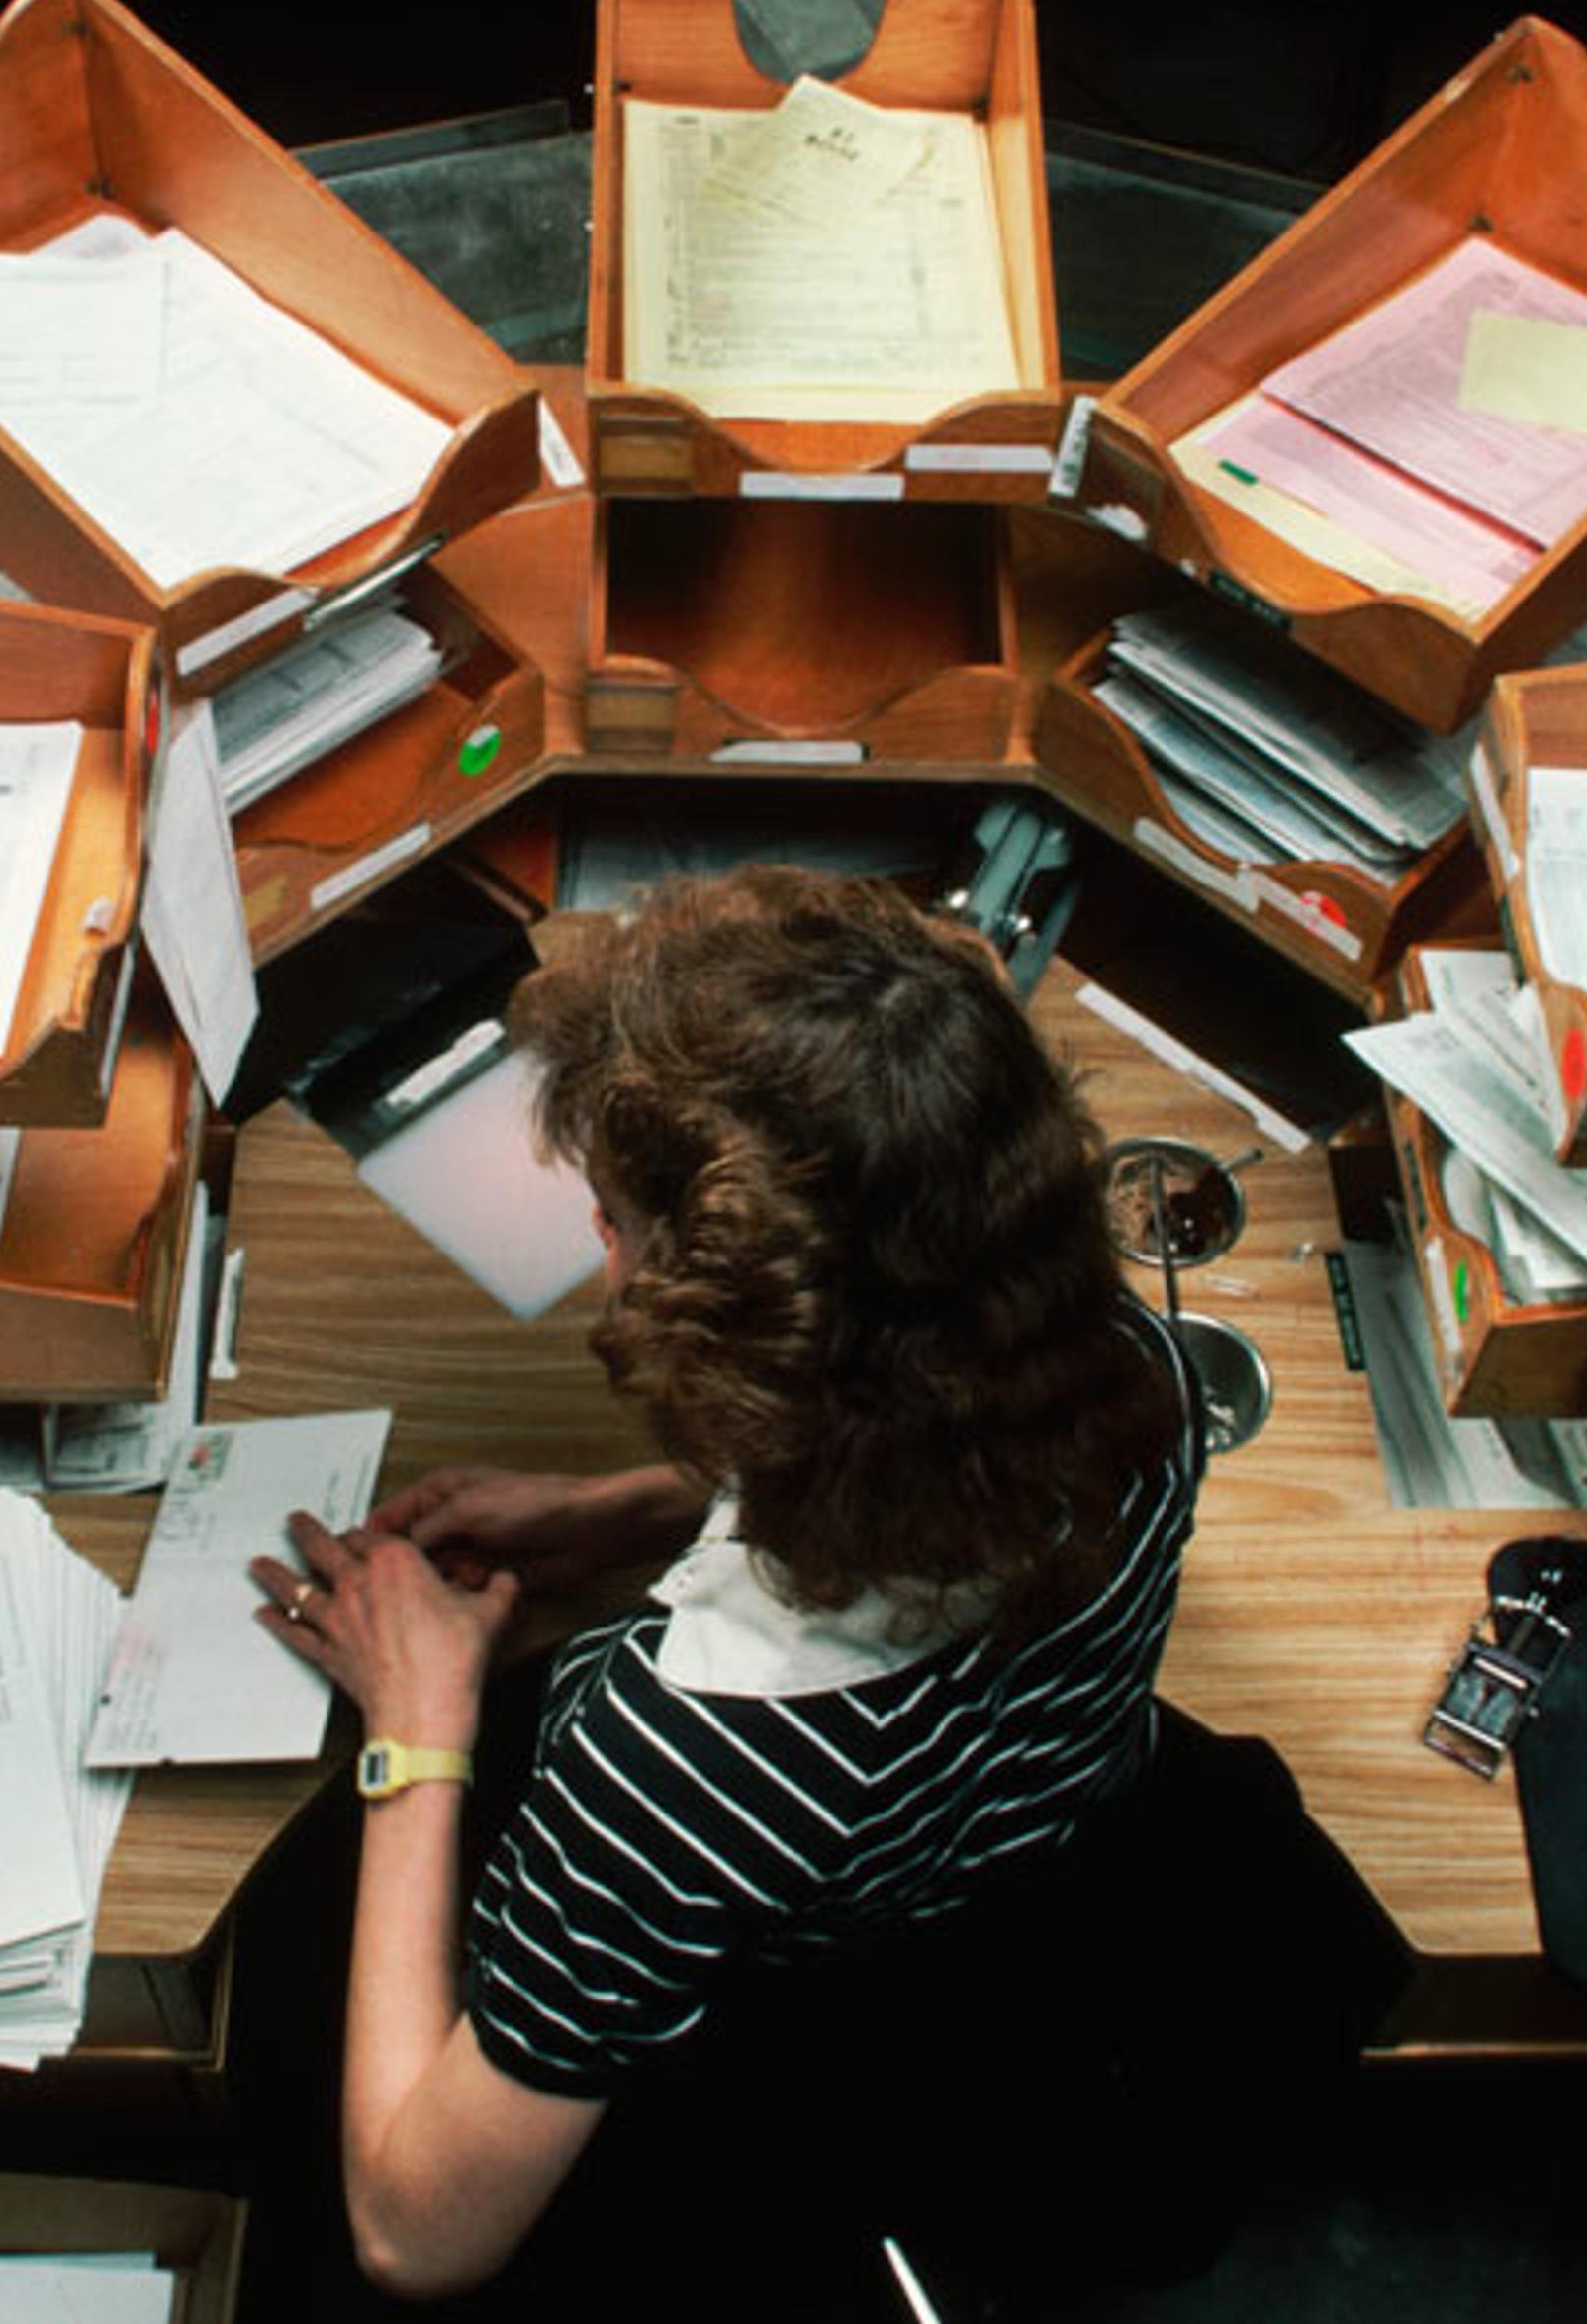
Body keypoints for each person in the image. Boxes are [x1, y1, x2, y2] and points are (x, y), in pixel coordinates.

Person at [245, 865, 1205, 2303]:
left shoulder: (678, 1764)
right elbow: (920, 1425)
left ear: (730, 1330)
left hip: (808, 1998)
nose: (602, 1247)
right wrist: (639, 1511)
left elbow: (413, 2231)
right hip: (1014, 1855)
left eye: (616, 1223)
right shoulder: (1140, 1376)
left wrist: (419, 1722)